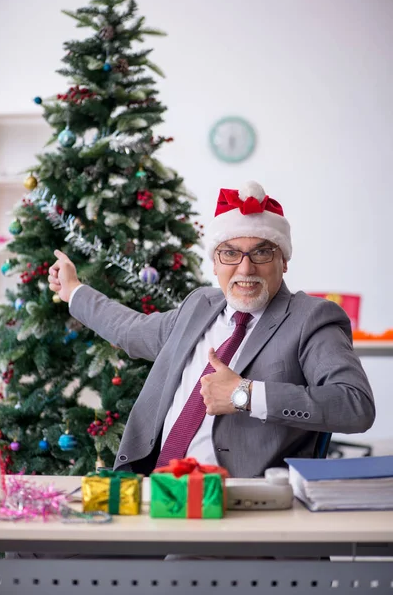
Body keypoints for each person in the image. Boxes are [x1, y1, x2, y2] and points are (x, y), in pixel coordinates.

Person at [48, 180, 375, 478]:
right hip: (151, 483)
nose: (245, 268)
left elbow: (354, 405)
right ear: (215, 263)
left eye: (262, 252)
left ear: (284, 261)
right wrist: (74, 291)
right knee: (38, 542)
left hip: (235, 504)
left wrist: (244, 394)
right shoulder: (199, 305)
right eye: (230, 253)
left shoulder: (311, 318)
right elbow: (132, 330)